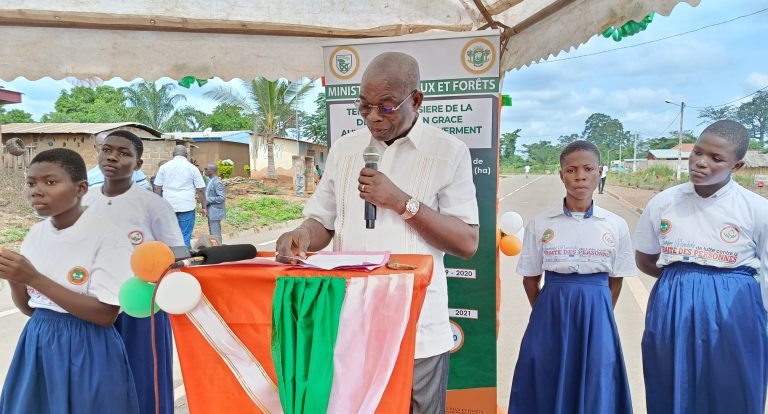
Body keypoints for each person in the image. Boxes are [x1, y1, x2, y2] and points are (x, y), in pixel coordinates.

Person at [275, 52, 479, 414]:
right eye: (364, 105)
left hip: (417, 326)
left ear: (416, 100)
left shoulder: (449, 152)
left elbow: (467, 242)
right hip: (350, 321)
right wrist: (302, 234)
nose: (372, 116)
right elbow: (322, 221)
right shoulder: (345, 149)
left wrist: (402, 202)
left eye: (386, 106)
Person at [635, 120, 768, 414]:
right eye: (697, 152)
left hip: (734, 306)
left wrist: (714, 287)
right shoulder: (664, 202)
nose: (701, 162)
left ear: (736, 166)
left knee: (732, 386)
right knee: (671, 381)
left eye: (716, 158)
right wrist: (685, 280)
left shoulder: (757, 209)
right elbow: (644, 258)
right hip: (673, 303)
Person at [0, 148, 139, 413]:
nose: (36, 191)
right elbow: (32, 308)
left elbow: (105, 315)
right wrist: (15, 278)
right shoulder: (36, 234)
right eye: (31, 183)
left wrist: (33, 277)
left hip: (86, 347)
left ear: (80, 188)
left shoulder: (107, 238)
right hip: (38, 342)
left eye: (50, 182)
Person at [509, 141, 635, 414]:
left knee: (596, 376)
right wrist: (546, 312)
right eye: (571, 170)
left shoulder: (615, 225)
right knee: (545, 372)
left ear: (600, 172)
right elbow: (530, 279)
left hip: (597, 310)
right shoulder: (542, 223)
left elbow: (616, 279)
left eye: (588, 169)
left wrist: (600, 311)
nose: (580, 176)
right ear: (561, 175)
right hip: (551, 310)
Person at [82, 130, 184, 414]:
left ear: (138, 164)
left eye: (124, 153)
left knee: (145, 379)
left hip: (141, 308)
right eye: (107, 150)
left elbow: (176, 255)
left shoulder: (155, 206)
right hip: (95, 306)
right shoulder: (84, 201)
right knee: (101, 382)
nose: (112, 157)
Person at [153, 145, 206, 247]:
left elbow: (156, 187)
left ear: (173, 154)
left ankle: (170, 255)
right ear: (186, 155)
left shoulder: (164, 167)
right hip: (187, 206)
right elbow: (200, 189)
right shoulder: (192, 168)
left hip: (168, 207)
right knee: (185, 235)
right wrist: (204, 207)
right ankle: (184, 256)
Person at [203, 163, 226, 244]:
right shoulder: (209, 180)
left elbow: (222, 197)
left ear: (212, 170)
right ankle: (215, 248)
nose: (204, 170)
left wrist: (207, 199)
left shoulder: (217, 182)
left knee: (215, 233)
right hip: (210, 210)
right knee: (212, 233)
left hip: (215, 211)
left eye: (206, 169)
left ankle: (218, 248)